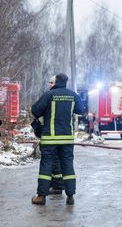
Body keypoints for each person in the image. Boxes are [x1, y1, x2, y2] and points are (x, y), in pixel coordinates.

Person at [31, 73, 84, 205]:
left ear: (55, 82)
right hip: (67, 139)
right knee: (67, 165)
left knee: (46, 165)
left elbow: (35, 111)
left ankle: (41, 197)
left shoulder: (49, 95)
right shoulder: (73, 95)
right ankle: (70, 196)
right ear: (66, 82)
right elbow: (81, 109)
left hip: (50, 138)